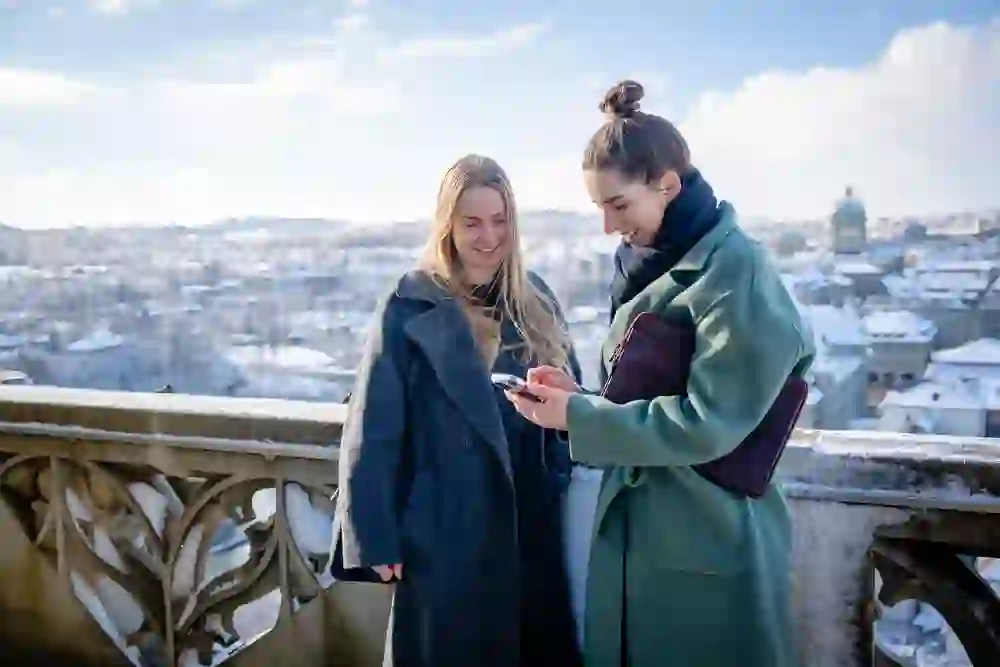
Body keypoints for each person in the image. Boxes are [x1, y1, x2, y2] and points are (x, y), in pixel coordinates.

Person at [506, 81, 815, 667]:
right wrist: (582, 399)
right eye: (598, 208)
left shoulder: (736, 272)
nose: (606, 227)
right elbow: (647, 393)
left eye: (617, 206)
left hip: (709, 537)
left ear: (667, 186)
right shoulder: (654, 263)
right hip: (649, 539)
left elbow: (711, 421)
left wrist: (579, 417)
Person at [336, 154, 583, 667]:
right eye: (472, 222)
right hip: (444, 535)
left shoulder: (536, 300)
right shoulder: (409, 304)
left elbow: (573, 405)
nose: (488, 237)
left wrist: (560, 448)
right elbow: (374, 428)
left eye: (500, 221)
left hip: (529, 529)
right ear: (447, 225)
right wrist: (375, 537)